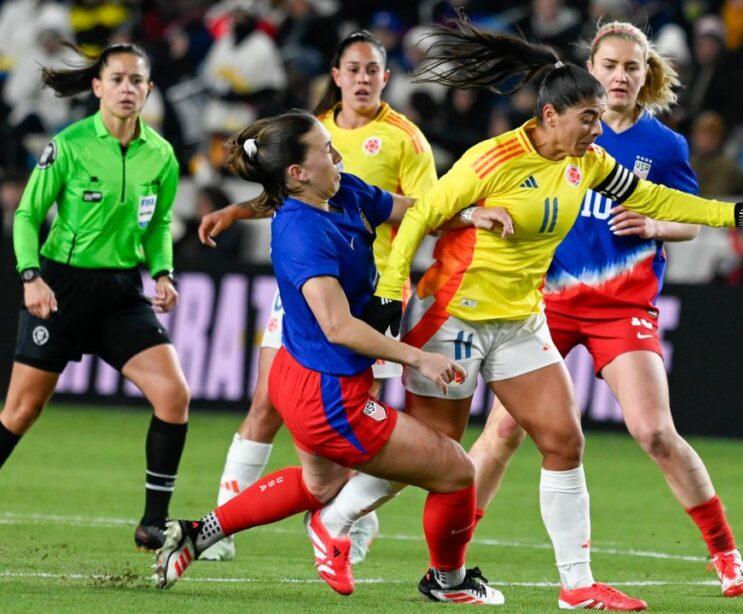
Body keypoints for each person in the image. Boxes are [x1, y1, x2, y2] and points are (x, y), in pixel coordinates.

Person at [328, 18, 743, 611]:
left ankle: (607, 578)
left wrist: (731, 214)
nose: (602, 117)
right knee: (459, 447)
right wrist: (391, 290)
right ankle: (372, 534)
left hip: (567, 312)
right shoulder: (498, 157)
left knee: (603, 437)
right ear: (565, 101)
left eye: (630, 69)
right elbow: (422, 215)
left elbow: (662, 203)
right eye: (606, 75)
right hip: (489, 309)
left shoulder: (613, 156)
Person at [154, 112, 504, 605]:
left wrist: (467, 214)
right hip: (327, 396)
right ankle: (447, 582)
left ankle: (198, 532)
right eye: (325, 149)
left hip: (302, 377)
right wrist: (415, 358)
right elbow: (337, 326)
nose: (337, 154)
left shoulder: (344, 190)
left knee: (321, 484)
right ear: (296, 173)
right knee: (457, 472)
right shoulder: (300, 234)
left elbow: (413, 209)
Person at [466, 21, 743, 598]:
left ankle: (725, 553)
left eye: (631, 67)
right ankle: (450, 553)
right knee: (502, 431)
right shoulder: (557, 130)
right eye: (610, 66)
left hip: (622, 307)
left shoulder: (663, 146)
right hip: (545, 301)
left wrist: (654, 224)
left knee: (653, 432)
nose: (620, 76)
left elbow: (693, 219)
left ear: (645, 75)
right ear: (590, 70)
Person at [198, 31, 439, 563]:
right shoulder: (314, 130)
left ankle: (345, 523)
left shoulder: (407, 139)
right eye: (352, 68)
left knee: (349, 422)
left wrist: (408, 276)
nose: (362, 78)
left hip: (365, 297)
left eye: (372, 69)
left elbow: (422, 209)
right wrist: (238, 210)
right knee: (265, 403)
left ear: (386, 76)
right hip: (308, 286)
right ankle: (223, 524)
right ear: (335, 76)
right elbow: (285, 194)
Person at [0, 43, 187, 551]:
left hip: (122, 291)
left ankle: (153, 522)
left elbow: (160, 221)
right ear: (98, 87)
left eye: (137, 81)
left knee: (174, 396)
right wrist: (31, 276)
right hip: (62, 288)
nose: (128, 89)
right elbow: (25, 215)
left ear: (149, 89)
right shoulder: (71, 145)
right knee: (20, 412)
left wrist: (163, 272)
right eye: (118, 79)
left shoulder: (161, 154)